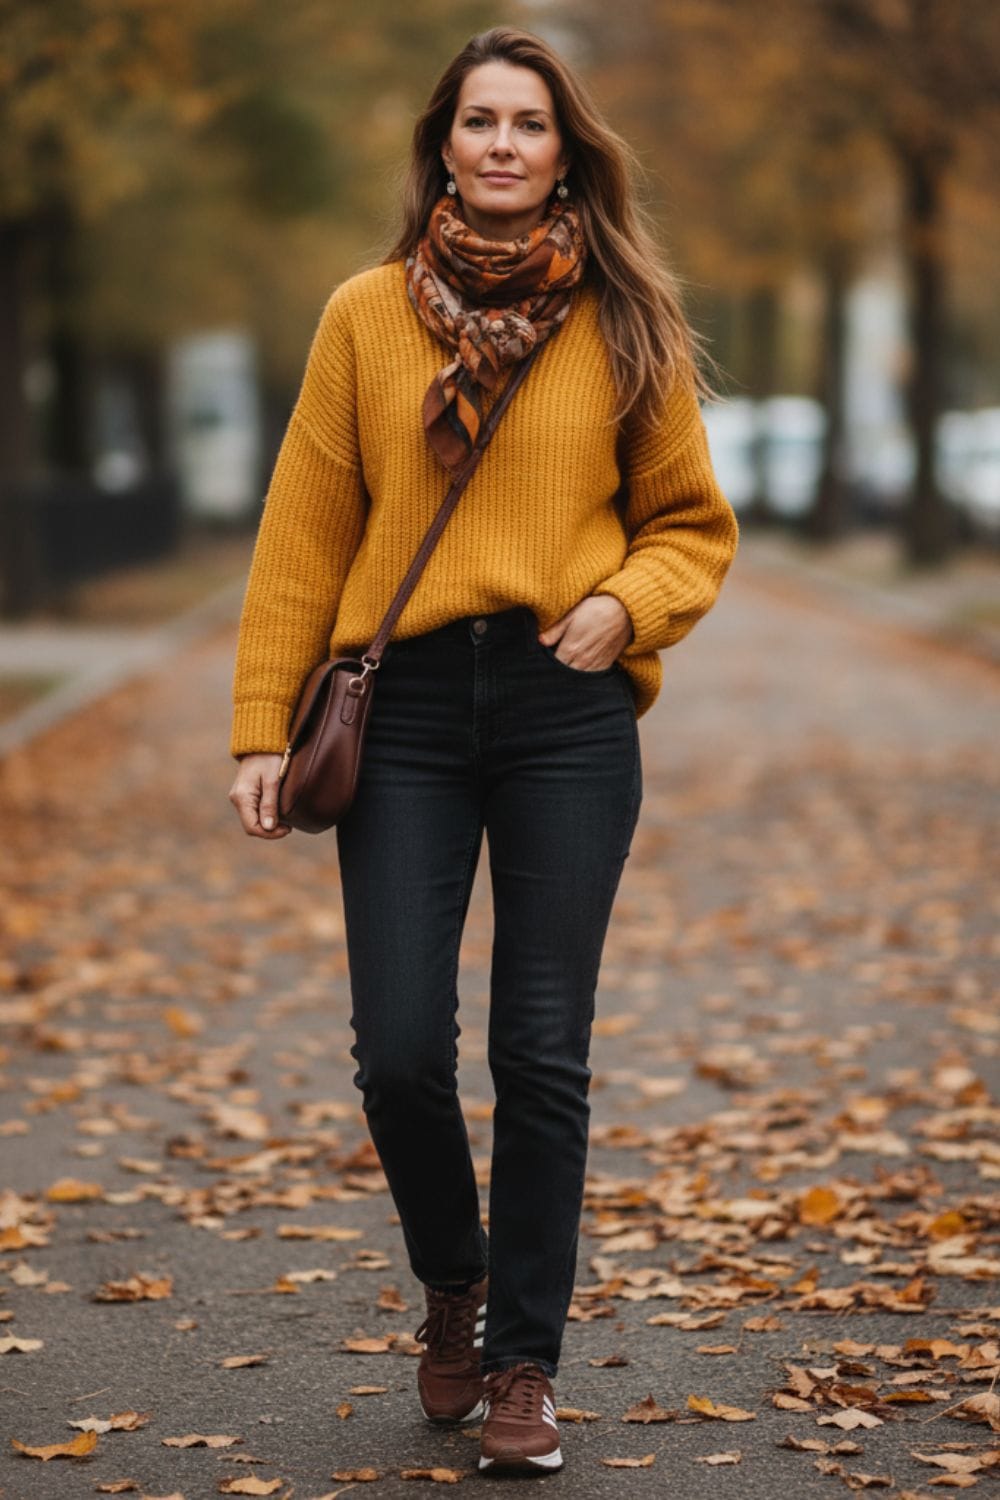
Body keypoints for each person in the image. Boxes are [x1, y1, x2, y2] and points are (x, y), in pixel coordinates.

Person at [228, 24, 739, 1478]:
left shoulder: (624, 319)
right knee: (398, 1050)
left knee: (541, 1049)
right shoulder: (363, 316)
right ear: (442, 149)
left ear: (565, 153)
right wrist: (260, 727)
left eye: (529, 123)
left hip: (562, 706)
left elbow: (691, 526)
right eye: (479, 121)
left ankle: (523, 1363)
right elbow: (304, 533)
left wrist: (624, 607)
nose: (503, 143)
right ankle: (452, 1275)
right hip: (400, 712)